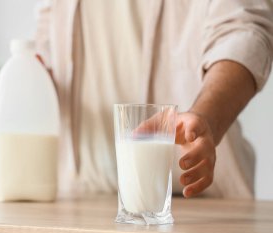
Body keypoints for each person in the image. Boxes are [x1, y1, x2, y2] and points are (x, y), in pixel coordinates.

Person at [35, 0, 273, 198]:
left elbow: (245, 33)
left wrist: (205, 116)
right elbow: (47, 45)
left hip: (199, 204)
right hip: (81, 202)